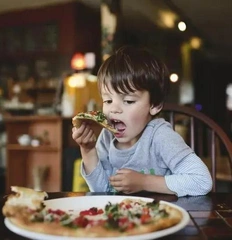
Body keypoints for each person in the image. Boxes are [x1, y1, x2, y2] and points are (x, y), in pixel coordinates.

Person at [72, 46, 212, 197]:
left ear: (154, 105)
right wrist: (88, 151)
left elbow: (202, 181)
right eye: (108, 100)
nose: (114, 109)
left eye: (128, 101)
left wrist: (144, 182)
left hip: (162, 214)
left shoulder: (160, 136)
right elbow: (102, 191)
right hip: (124, 216)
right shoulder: (107, 136)